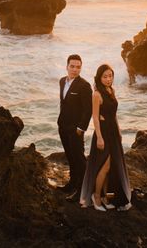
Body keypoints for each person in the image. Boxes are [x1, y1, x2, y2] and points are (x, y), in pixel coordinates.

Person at [79, 64, 132, 211]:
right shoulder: (96, 94)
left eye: (110, 76)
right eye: (105, 76)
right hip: (103, 133)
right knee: (105, 166)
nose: (108, 79)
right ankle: (96, 197)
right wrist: (100, 137)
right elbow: (95, 118)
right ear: (99, 77)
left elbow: (114, 114)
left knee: (111, 167)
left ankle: (104, 196)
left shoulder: (111, 90)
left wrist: (119, 131)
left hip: (113, 132)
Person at [56, 54, 93, 201]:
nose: (75, 69)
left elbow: (88, 110)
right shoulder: (61, 82)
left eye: (78, 67)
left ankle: (82, 191)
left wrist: (81, 128)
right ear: (67, 66)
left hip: (75, 129)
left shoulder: (84, 86)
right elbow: (63, 103)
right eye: (72, 66)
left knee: (79, 159)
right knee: (70, 157)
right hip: (63, 126)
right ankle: (72, 183)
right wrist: (60, 122)